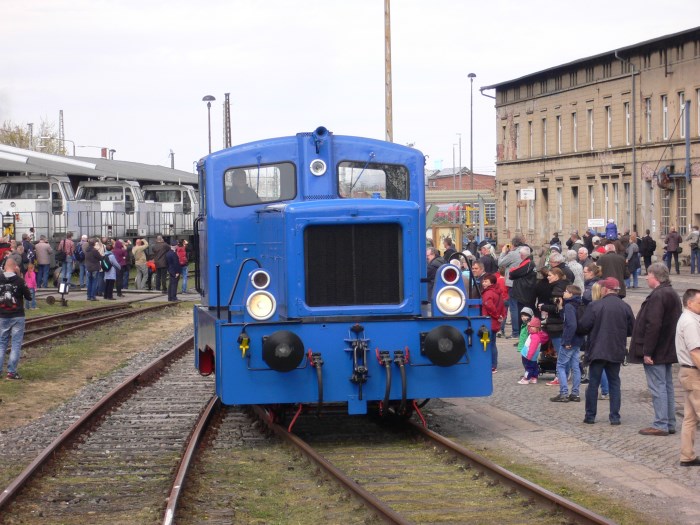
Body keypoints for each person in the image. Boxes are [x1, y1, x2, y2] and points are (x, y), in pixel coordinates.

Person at [628, 263, 682, 436]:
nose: (646, 278)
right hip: (667, 347)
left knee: (658, 387)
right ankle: (669, 422)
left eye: (648, 275)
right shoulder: (671, 293)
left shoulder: (659, 295)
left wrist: (648, 351)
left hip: (657, 350)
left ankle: (661, 424)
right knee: (667, 386)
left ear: (656, 277)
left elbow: (653, 325)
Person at [578, 277, 635, 425]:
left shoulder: (595, 305)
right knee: (614, 383)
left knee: (593, 383)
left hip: (597, 350)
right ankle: (615, 417)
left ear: (605, 290)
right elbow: (631, 329)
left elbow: (583, 326)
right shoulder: (625, 307)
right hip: (616, 349)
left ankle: (590, 416)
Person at [674, 289, 700, 466]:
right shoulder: (690, 322)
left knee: (690, 418)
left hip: (688, 372)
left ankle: (687, 455)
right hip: (693, 372)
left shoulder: (689, 318)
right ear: (689, 303)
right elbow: (695, 352)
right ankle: (687, 456)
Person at [0, 258, 33, 379]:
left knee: (1, 343)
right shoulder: (19, 281)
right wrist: (19, 276)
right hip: (17, 316)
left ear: (4, 267)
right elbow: (29, 297)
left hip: (2, 316)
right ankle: (11, 372)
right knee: (15, 344)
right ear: (15, 267)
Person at [550, 284, 584, 402]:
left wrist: (567, 341)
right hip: (578, 339)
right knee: (575, 367)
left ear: (571, 294)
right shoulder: (579, 304)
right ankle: (575, 393)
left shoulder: (569, 306)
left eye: (566, 291)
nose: (564, 293)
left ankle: (563, 393)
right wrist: (560, 307)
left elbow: (571, 324)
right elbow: (566, 319)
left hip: (570, 340)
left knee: (561, 365)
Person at [498, 238, 525, 338]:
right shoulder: (525, 252)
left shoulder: (513, 254)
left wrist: (503, 252)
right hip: (523, 283)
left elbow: (500, 263)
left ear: (513, 244)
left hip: (512, 283)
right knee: (520, 307)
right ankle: (521, 330)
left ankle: (515, 332)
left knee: (514, 308)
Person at [481, 273, 505, 373]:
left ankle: (490, 365)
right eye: (483, 281)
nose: (483, 283)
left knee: (486, 343)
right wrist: (500, 316)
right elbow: (502, 306)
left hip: (487, 323)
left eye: (486, 281)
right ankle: (493, 364)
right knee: (492, 344)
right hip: (494, 323)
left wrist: (496, 315)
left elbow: (488, 305)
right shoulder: (498, 292)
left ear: (491, 283)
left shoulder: (488, 293)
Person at [517, 315, 549, 384]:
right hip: (533, 356)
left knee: (528, 368)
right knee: (534, 366)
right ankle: (534, 377)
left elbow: (532, 347)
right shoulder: (535, 335)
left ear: (537, 328)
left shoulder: (535, 336)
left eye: (533, 327)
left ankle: (526, 378)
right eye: (530, 326)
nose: (531, 328)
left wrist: (529, 355)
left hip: (528, 355)